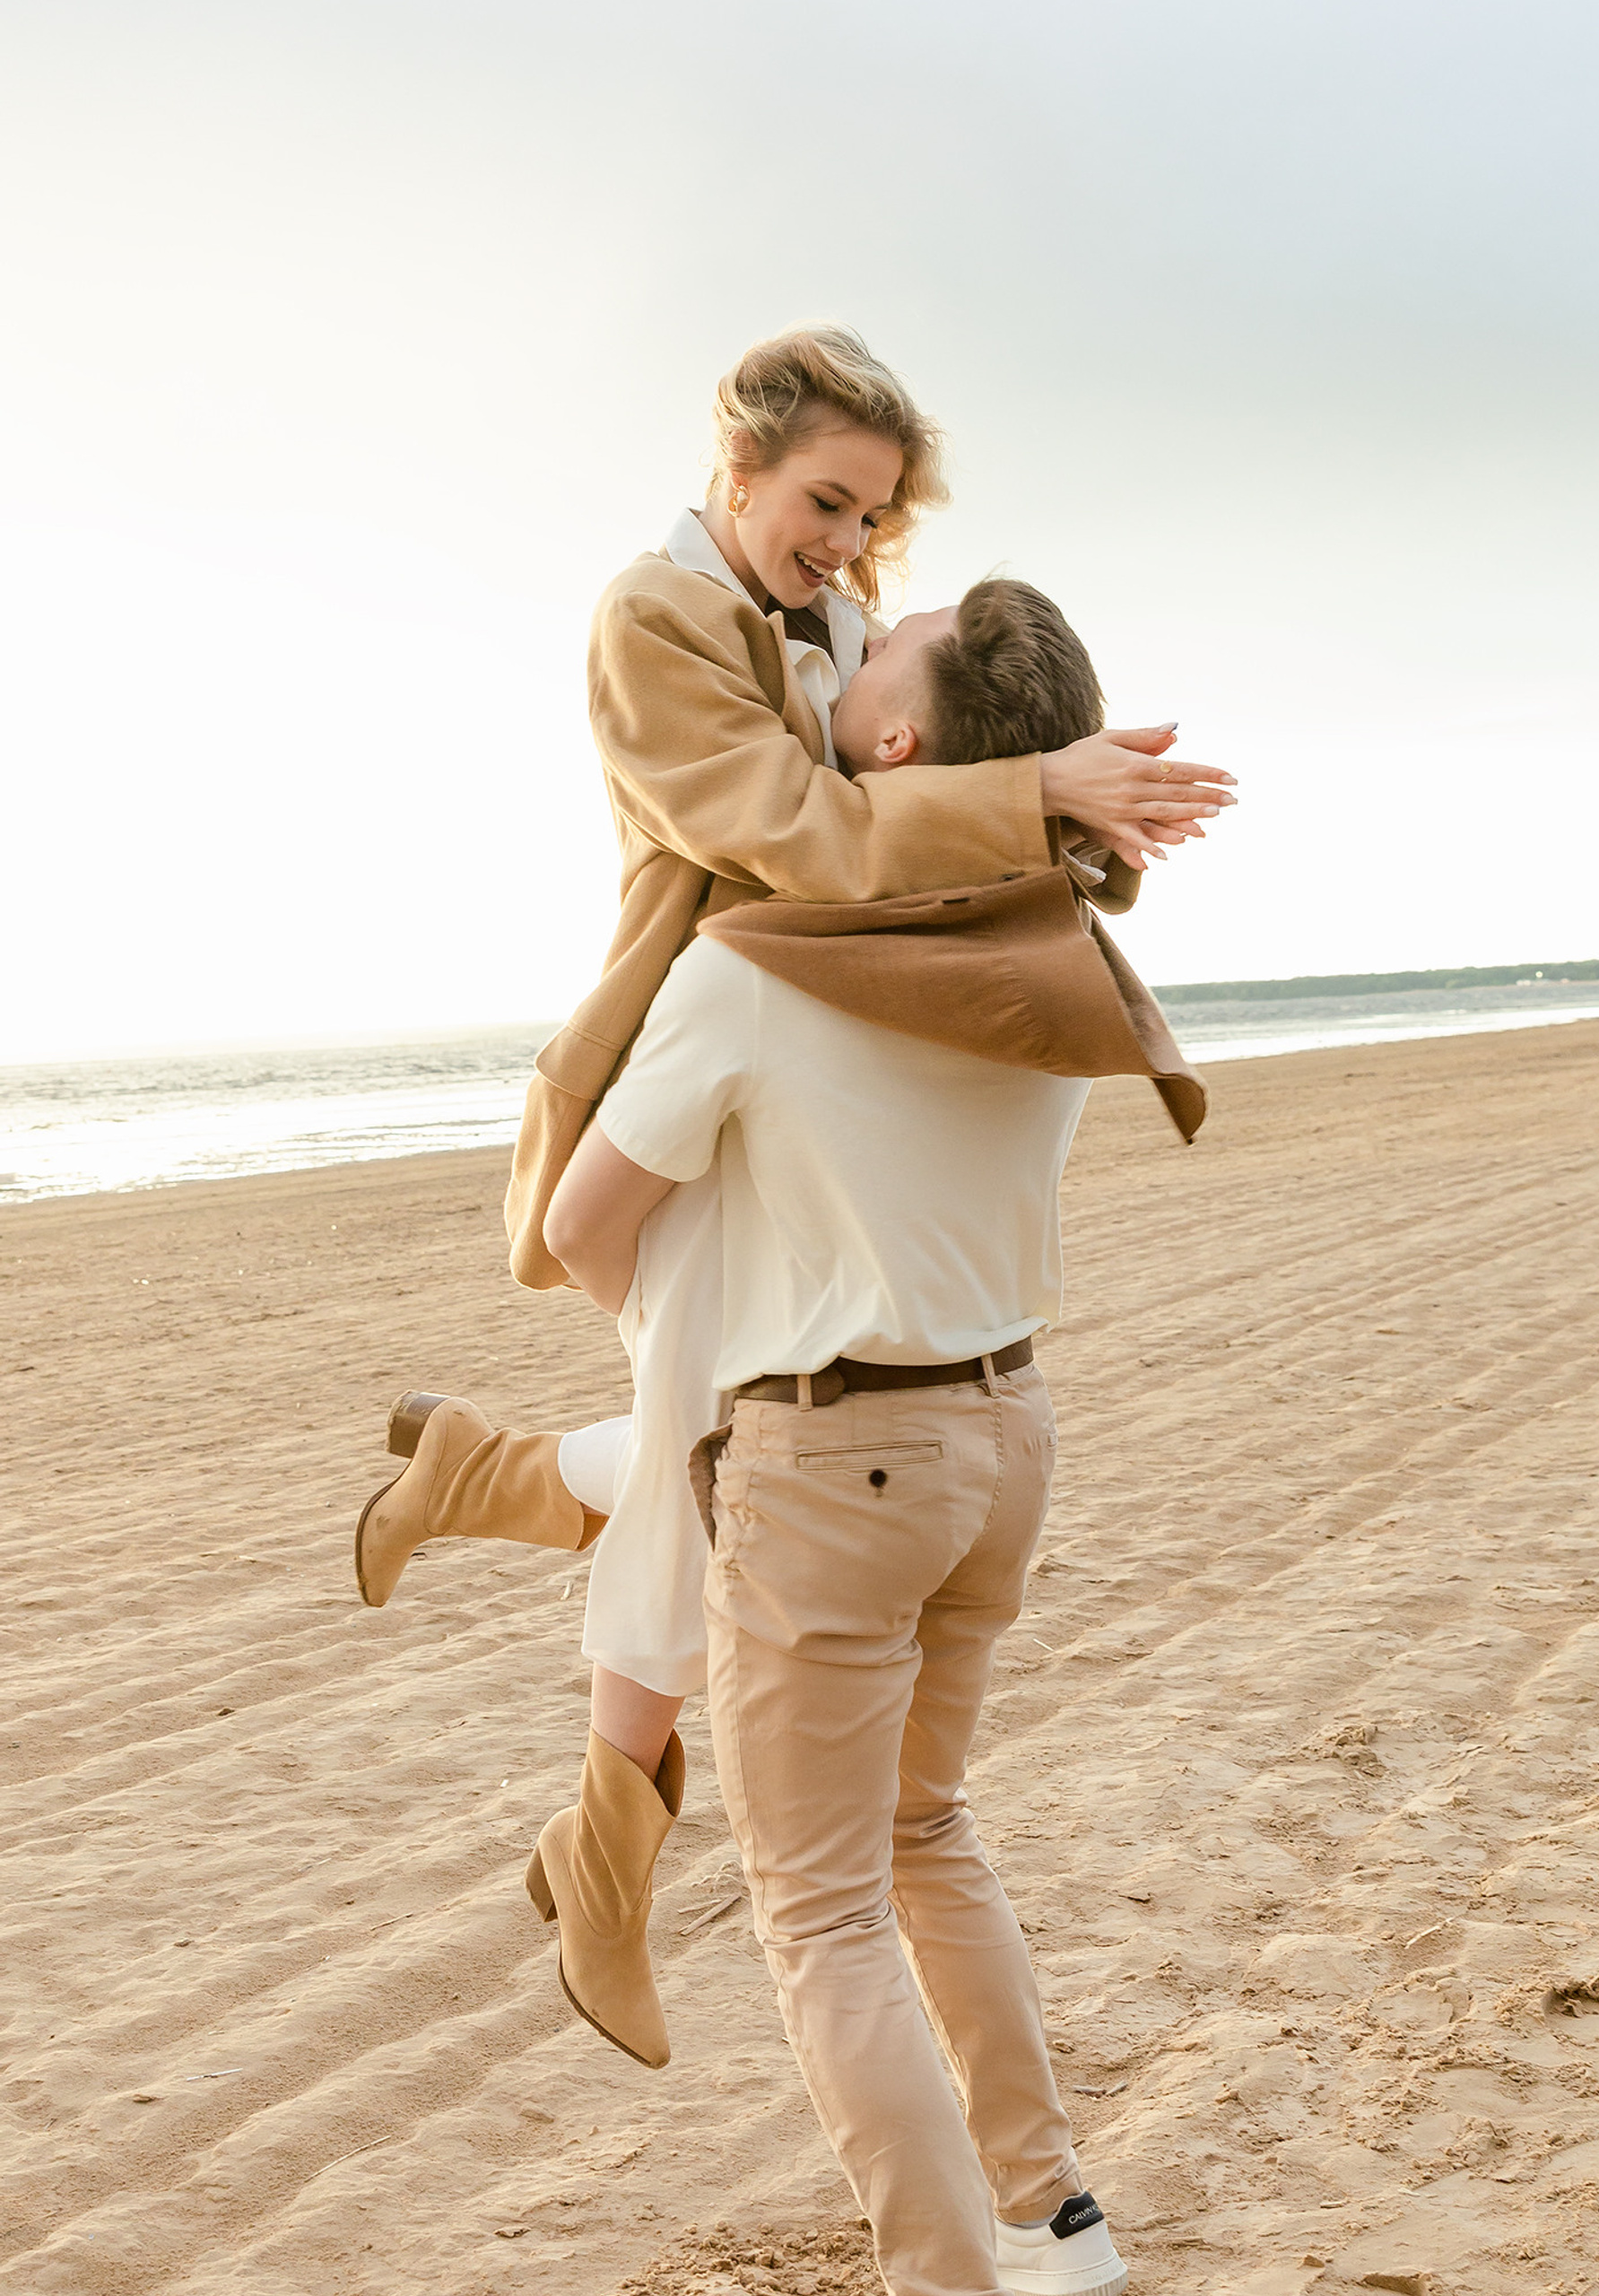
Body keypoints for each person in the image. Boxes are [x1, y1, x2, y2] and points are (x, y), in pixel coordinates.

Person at [352, 329, 1230, 2069]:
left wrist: (1059, 783)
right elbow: (799, 832)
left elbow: (903, 764)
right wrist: (1031, 787)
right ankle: (599, 1848)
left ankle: (500, 1511)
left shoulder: (828, 613)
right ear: (737, 462)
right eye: (824, 500)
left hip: (807, 1050)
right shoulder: (652, 621)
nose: (846, 542)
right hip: (705, 1038)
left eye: (871, 516)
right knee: (705, 1437)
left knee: (705, 1433)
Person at [540, 581, 1141, 2296]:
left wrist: (694, 1370)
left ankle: (951, 2275)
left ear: (892, 742)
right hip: (1007, 1434)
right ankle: (1054, 2219)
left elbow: (591, 1230)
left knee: (819, 1914)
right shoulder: (1061, 958)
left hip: (843, 1464)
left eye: (884, 641)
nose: (851, 625)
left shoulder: (752, 968)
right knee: (924, 1832)